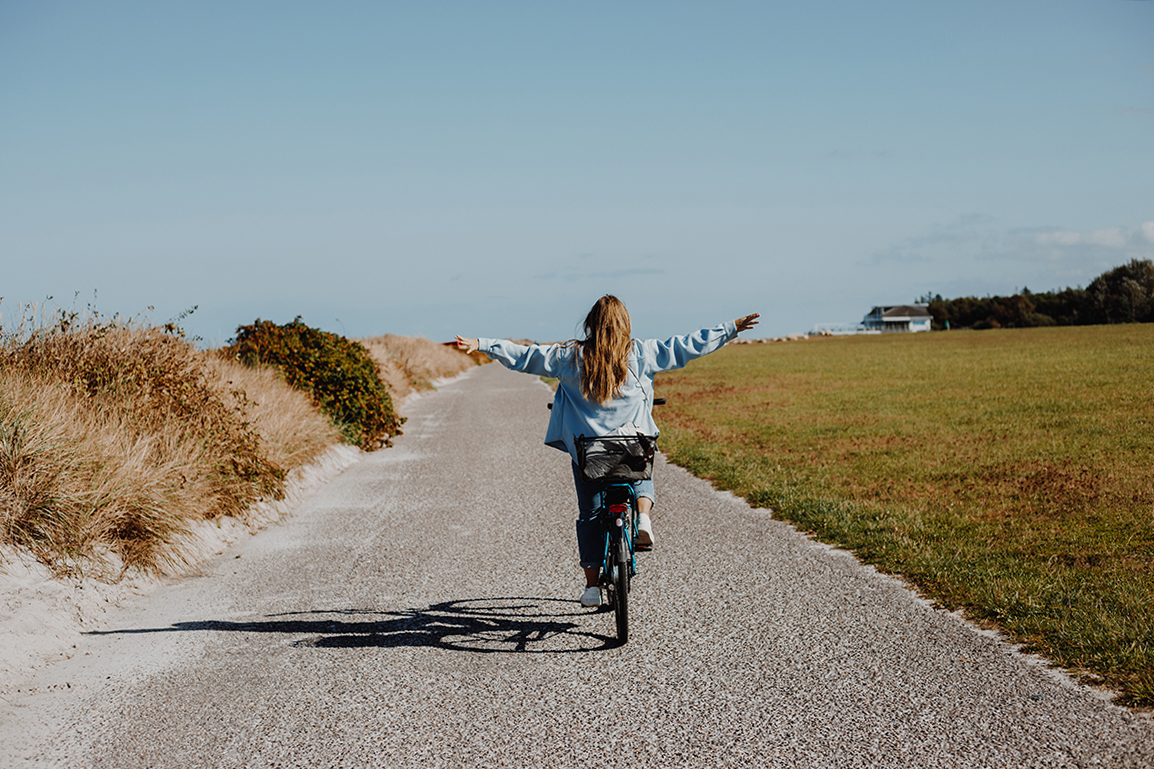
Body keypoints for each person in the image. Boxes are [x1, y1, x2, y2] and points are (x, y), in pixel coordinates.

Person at [454, 296, 759, 607]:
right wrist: (730, 329)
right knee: (641, 461)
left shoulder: (569, 357)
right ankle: (642, 518)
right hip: (631, 448)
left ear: (590, 324)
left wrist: (482, 343)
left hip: (590, 452)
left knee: (590, 516)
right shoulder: (642, 353)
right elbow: (686, 346)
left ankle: (590, 588)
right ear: (625, 324)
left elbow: (526, 355)